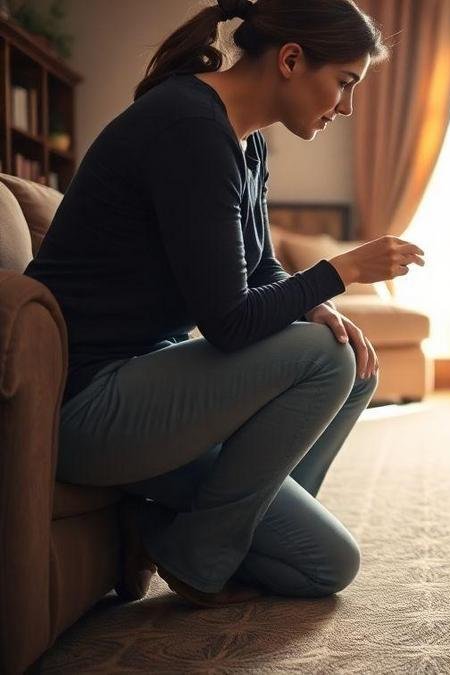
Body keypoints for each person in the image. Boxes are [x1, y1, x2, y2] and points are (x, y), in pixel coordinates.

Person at [24, 0, 423, 607]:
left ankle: (194, 533)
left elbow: (259, 267)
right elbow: (229, 322)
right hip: (87, 407)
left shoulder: (246, 141)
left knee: (326, 560)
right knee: (325, 357)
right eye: (345, 83)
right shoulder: (190, 127)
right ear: (291, 60)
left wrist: (317, 306)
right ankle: (200, 555)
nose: (346, 106)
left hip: (150, 394)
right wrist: (339, 272)